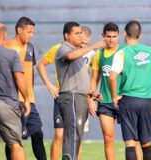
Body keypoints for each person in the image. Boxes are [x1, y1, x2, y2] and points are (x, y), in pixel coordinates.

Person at [109, 20, 151, 160]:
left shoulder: (121, 53)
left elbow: (112, 77)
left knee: (130, 143)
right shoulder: (150, 51)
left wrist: (114, 96)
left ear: (124, 34)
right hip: (146, 101)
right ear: (140, 35)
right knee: (146, 142)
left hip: (128, 101)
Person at [37, 25, 94, 160]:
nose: (83, 44)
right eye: (80, 37)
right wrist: (50, 85)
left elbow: (91, 76)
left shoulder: (90, 54)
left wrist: (90, 95)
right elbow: (41, 64)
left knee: (76, 134)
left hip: (80, 97)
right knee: (59, 135)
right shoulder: (60, 49)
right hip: (65, 95)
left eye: (86, 42)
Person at [55, 21, 105, 160]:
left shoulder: (78, 54)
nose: (80, 37)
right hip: (71, 97)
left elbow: (79, 79)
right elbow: (70, 56)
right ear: (66, 35)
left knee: (76, 137)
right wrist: (94, 46)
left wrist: (91, 94)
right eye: (76, 34)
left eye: (80, 34)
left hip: (80, 97)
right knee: (72, 135)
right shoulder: (64, 48)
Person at [0, 23, 30, 160]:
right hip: (6, 104)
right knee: (15, 144)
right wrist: (26, 99)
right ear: (5, 35)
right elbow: (19, 78)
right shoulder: (11, 54)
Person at [4, 17, 47, 160]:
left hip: (28, 99)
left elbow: (30, 71)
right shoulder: (7, 47)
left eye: (33, 32)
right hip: (12, 100)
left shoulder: (31, 47)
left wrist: (29, 93)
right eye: (29, 32)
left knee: (37, 133)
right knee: (13, 139)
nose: (31, 35)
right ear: (19, 30)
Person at [90, 22, 125, 160]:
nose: (111, 39)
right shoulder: (99, 54)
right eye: (108, 36)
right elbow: (94, 79)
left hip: (124, 101)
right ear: (103, 36)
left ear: (119, 36)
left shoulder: (124, 52)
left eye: (114, 36)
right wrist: (91, 97)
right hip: (105, 101)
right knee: (108, 137)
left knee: (132, 140)